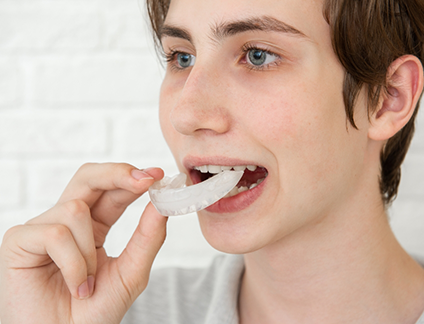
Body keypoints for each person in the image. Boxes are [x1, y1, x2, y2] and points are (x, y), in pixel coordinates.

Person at [1, 0, 424, 323]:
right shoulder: (106, 315)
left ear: (388, 98)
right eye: (181, 57)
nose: (186, 114)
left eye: (258, 54)